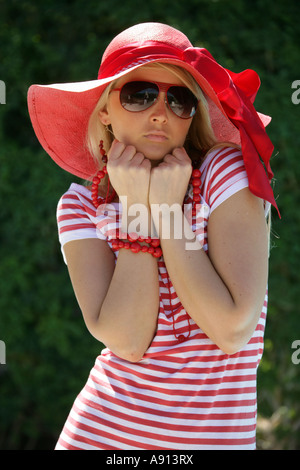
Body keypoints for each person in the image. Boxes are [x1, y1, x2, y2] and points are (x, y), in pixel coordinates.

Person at [27, 22, 279, 450]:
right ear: (105, 109)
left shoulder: (224, 173)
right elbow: (127, 340)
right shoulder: (81, 206)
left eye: (178, 99)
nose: (160, 112)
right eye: (140, 94)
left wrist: (166, 209)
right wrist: (139, 211)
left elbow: (232, 328)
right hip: (101, 438)